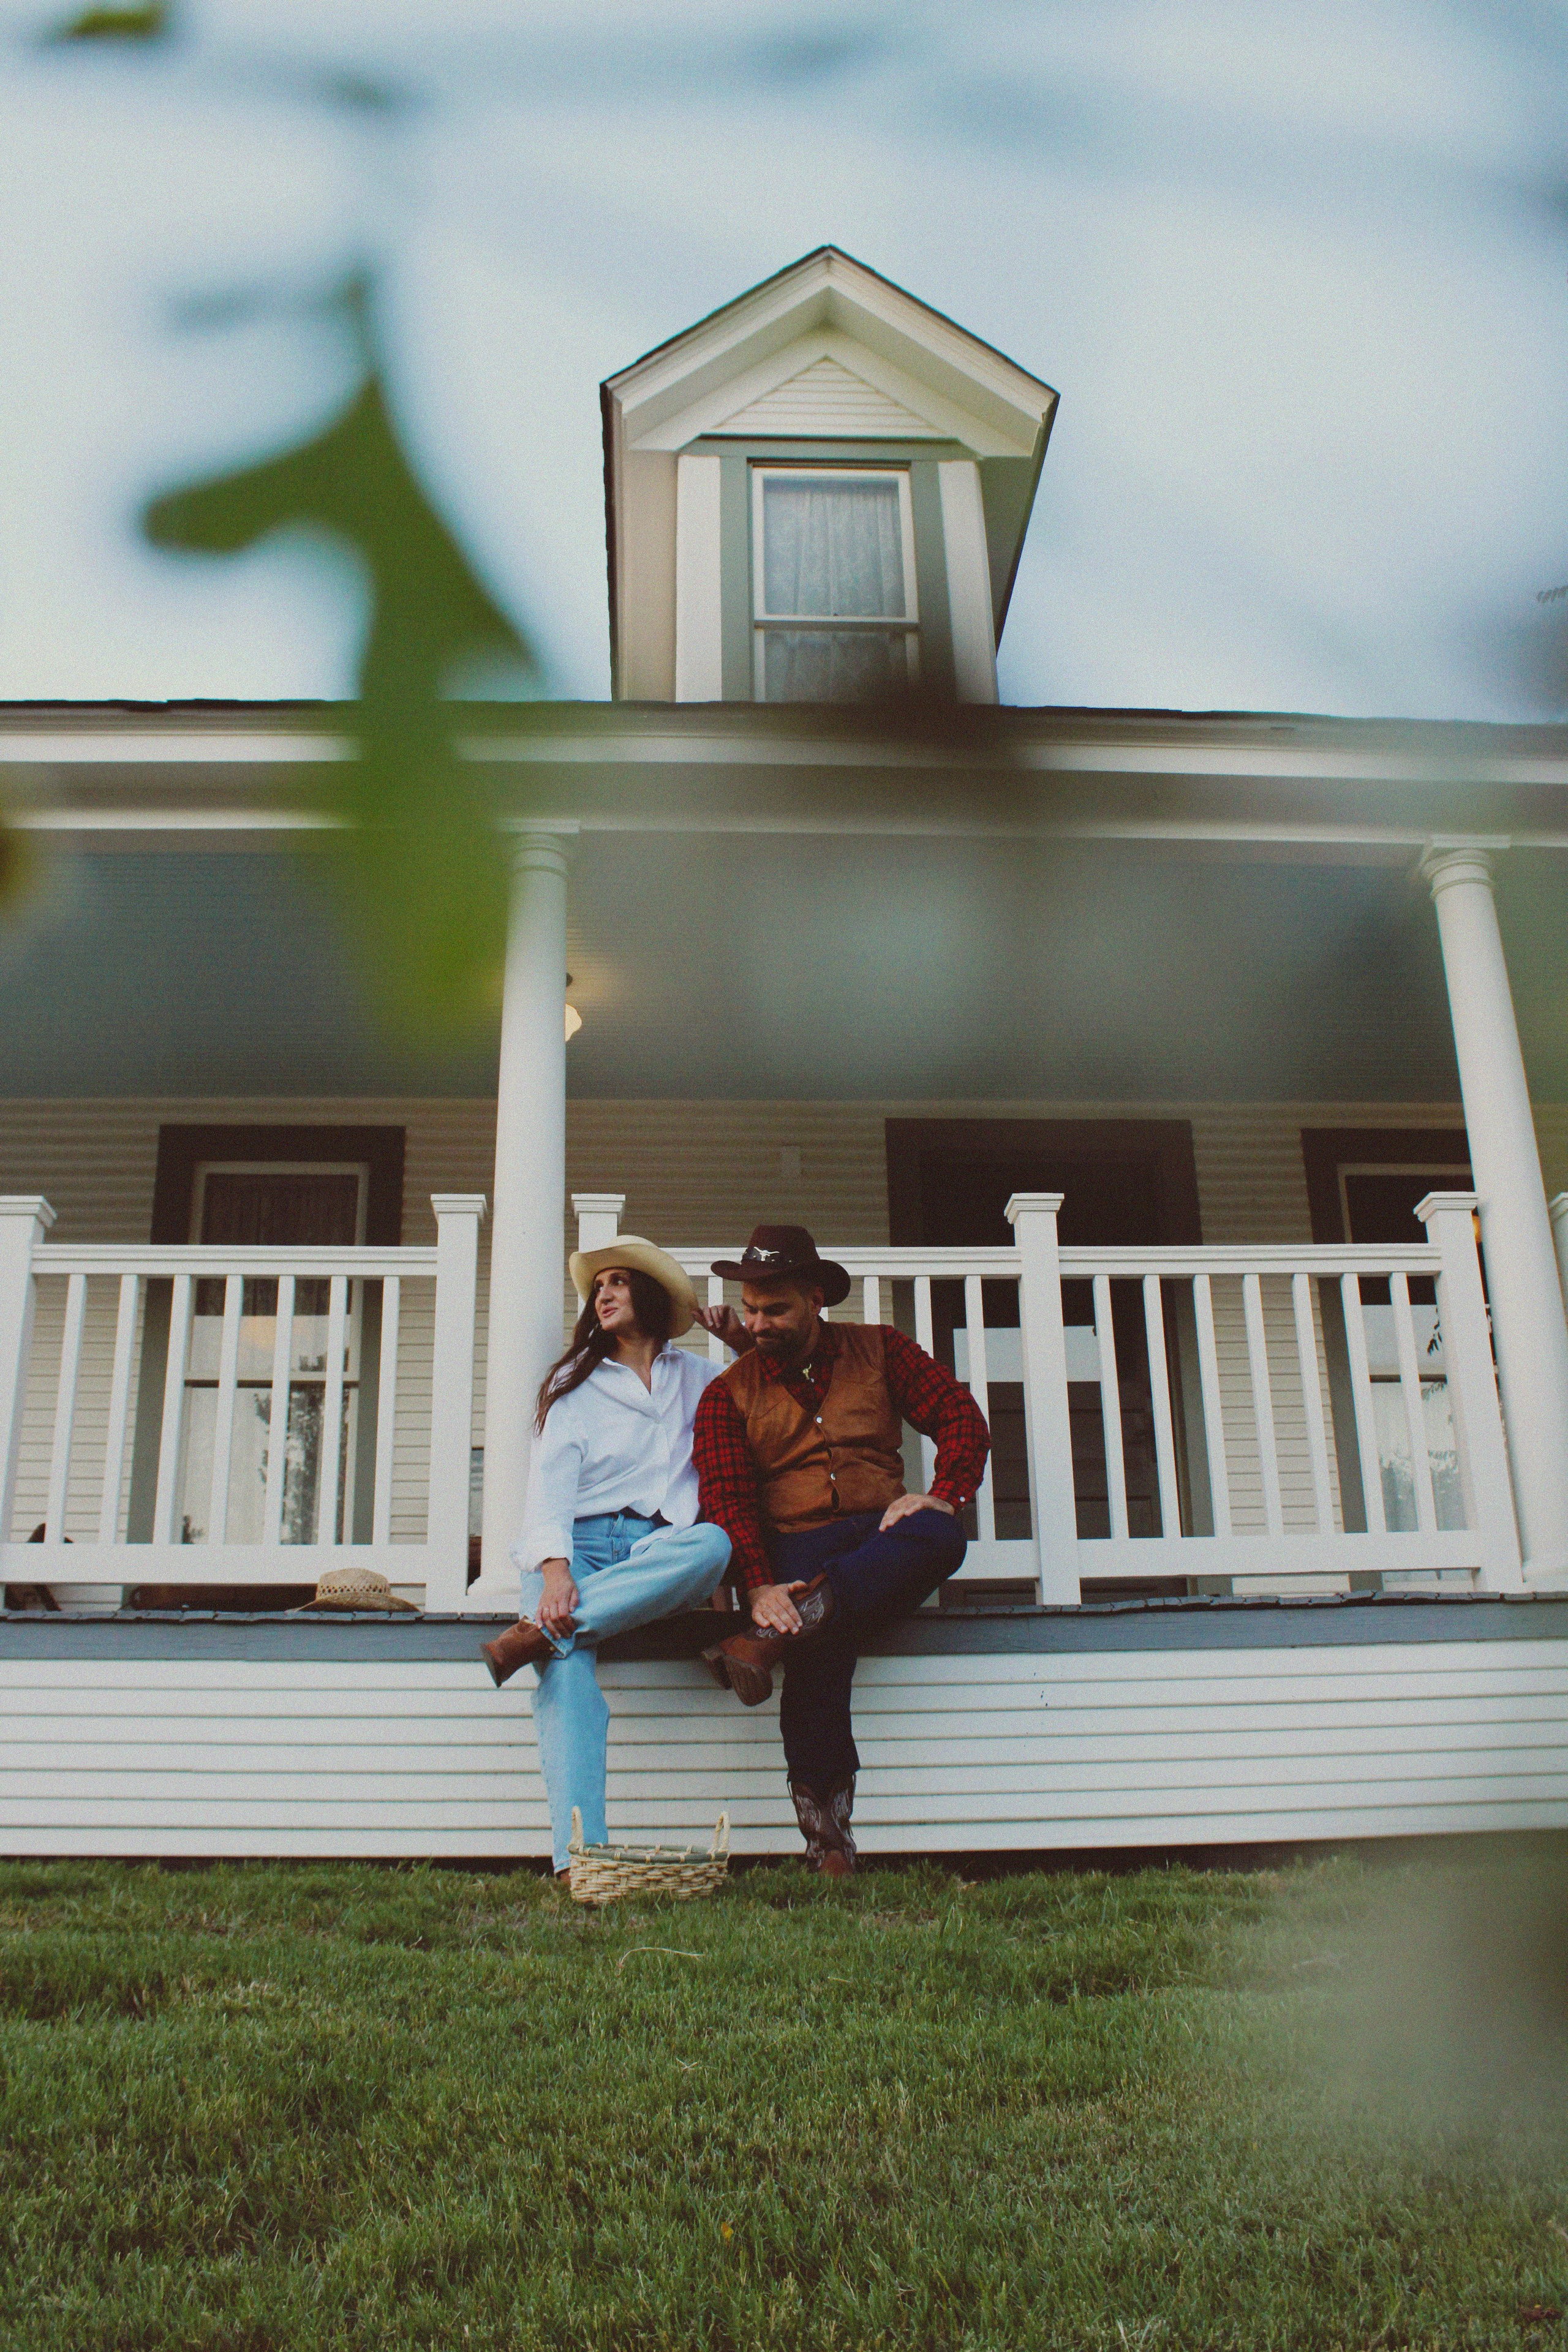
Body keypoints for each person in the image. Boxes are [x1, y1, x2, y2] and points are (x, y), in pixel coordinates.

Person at [692, 1224, 990, 1878]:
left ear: (815, 1300)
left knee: (941, 1533)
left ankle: (768, 1640)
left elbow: (959, 1415)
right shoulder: (726, 1393)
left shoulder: (880, 1349)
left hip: (883, 1532)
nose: (759, 1322)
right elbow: (727, 1500)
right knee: (821, 1642)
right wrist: (762, 1587)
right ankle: (827, 1834)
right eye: (749, 1310)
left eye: (775, 1309)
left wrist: (942, 1492)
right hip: (795, 1543)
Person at [480, 1235, 736, 1876]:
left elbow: (766, 1392)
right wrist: (556, 1574)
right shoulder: (574, 1384)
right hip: (580, 1546)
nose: (604, 1294)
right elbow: (549, 1489)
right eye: (598, 1288)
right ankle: (581, 1859)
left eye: (618, 1282)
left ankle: (534, 1636)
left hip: (658, 1550)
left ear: (648, 1295)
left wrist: (739, 1342)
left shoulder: (701, 1378)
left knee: (714, 1544)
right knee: (568, 1676)